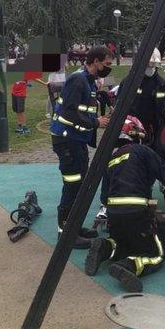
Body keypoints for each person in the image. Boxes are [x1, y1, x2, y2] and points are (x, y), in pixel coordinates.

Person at [84, 115, 165, 292]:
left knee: (122, 243)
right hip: (137, 213)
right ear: (138, 134)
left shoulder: (111, 159)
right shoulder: (144, 152)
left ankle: (105, 246)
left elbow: (104, 198)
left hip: (113, 213)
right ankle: (129, 266)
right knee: (156, 254)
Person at [50, 45, 112, 248]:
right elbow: (70, 112)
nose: (108, 67)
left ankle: (74, 227)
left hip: (77, 140)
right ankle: (65, 233)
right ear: (96, 61)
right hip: (67, 141)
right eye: (107, 63)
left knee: (80, 184)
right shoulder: (78, 79)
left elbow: (83, 107)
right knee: (73, 185)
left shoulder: (88, 81)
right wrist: (96, 123)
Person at [118, 48, 165, 156]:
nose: (150, 68)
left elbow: (164, 106)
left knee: (157, 156)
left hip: (155, 128)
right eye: (148, 65)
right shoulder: (130, 82)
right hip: (134, 128)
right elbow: (120, 105)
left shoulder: (161, 84)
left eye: (153, 65)